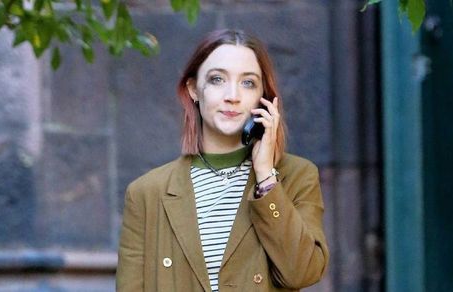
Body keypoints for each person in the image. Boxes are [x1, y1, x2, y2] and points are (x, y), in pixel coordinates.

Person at [116, 29, 329, 292]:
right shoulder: (147, 193)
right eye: (217, 79)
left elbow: (303, 273)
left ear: (264, 97)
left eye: (248, 82)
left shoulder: (296, 176)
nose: (233, 95)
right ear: (194, 89)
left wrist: (265, 176)